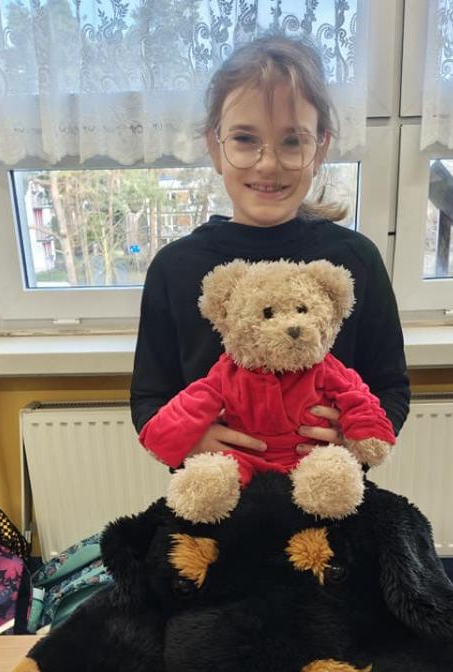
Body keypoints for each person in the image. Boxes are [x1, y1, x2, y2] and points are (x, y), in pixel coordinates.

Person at [130, 35, 409, 465]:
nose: (267, 163)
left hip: (327, 488)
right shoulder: (175, 267)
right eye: (245, 138)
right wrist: (192, 444)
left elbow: (391, 388)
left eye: (292, 141)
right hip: (218, 491)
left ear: (320, 149)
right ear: (215, 147)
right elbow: (149, 399)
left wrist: (351, 439)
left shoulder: (355, 260)